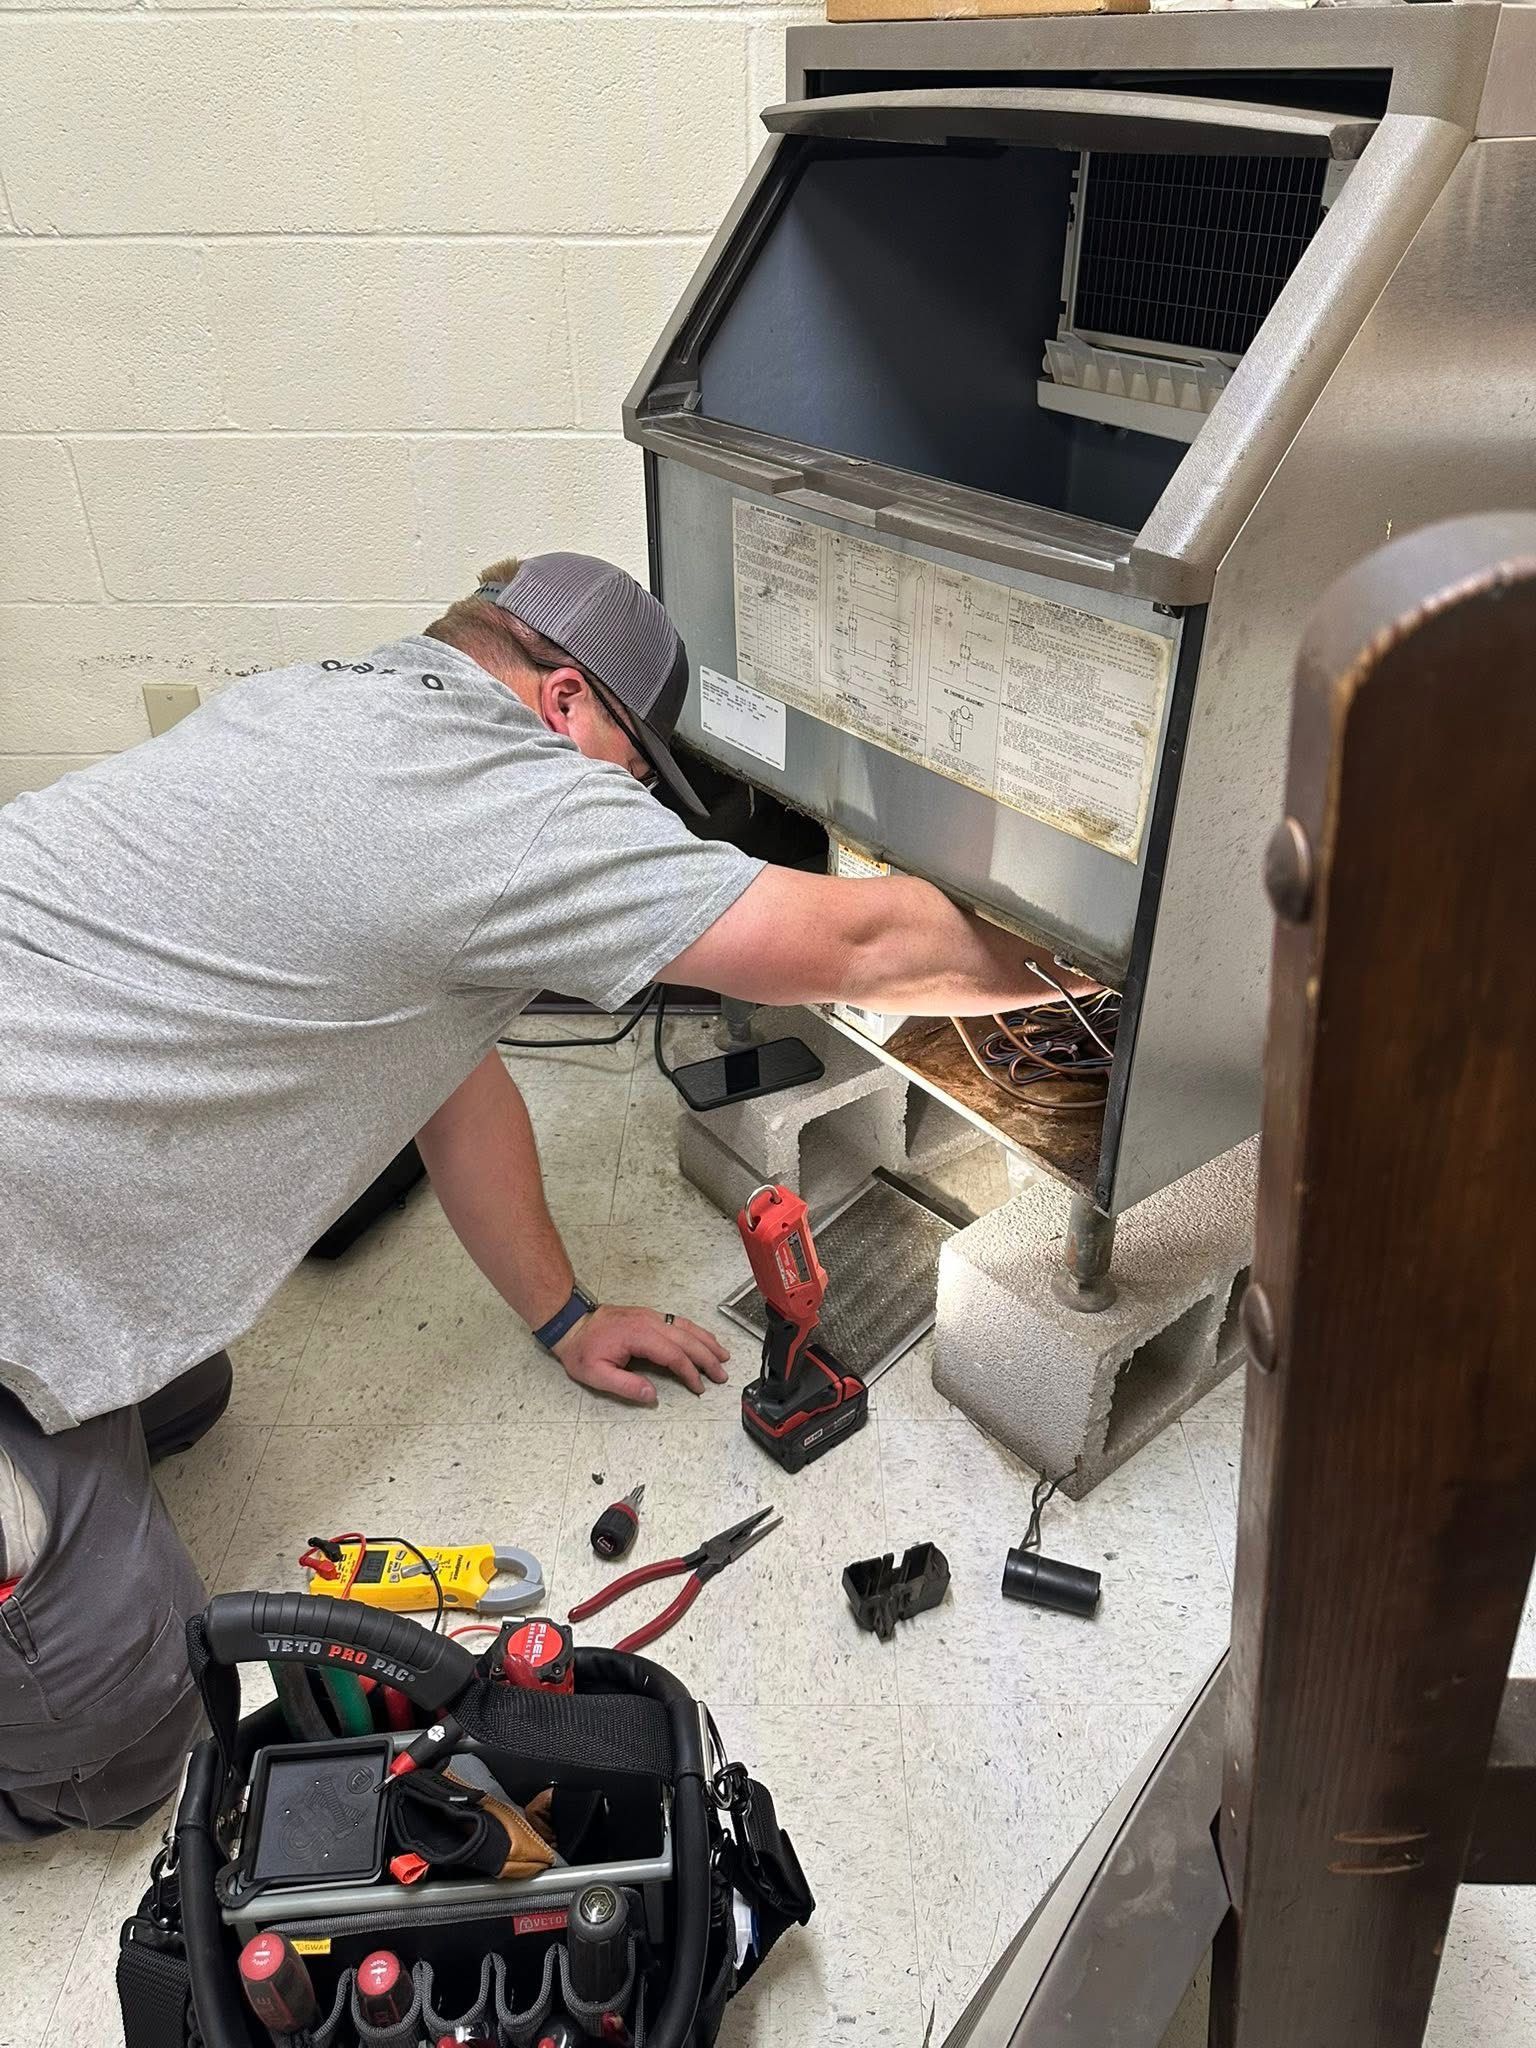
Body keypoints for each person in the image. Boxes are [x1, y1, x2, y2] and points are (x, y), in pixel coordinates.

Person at [0, 552, 1055, 1840]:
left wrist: (563, 1316)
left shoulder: (332, 703)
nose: (632, 808)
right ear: (563, 702)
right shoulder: (501, 795)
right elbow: (857, 944)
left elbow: (445, 1068)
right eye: (631, 772)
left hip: (43, 1197)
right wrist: (1097, 956)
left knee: (184, 1388)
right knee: (131, 1744)